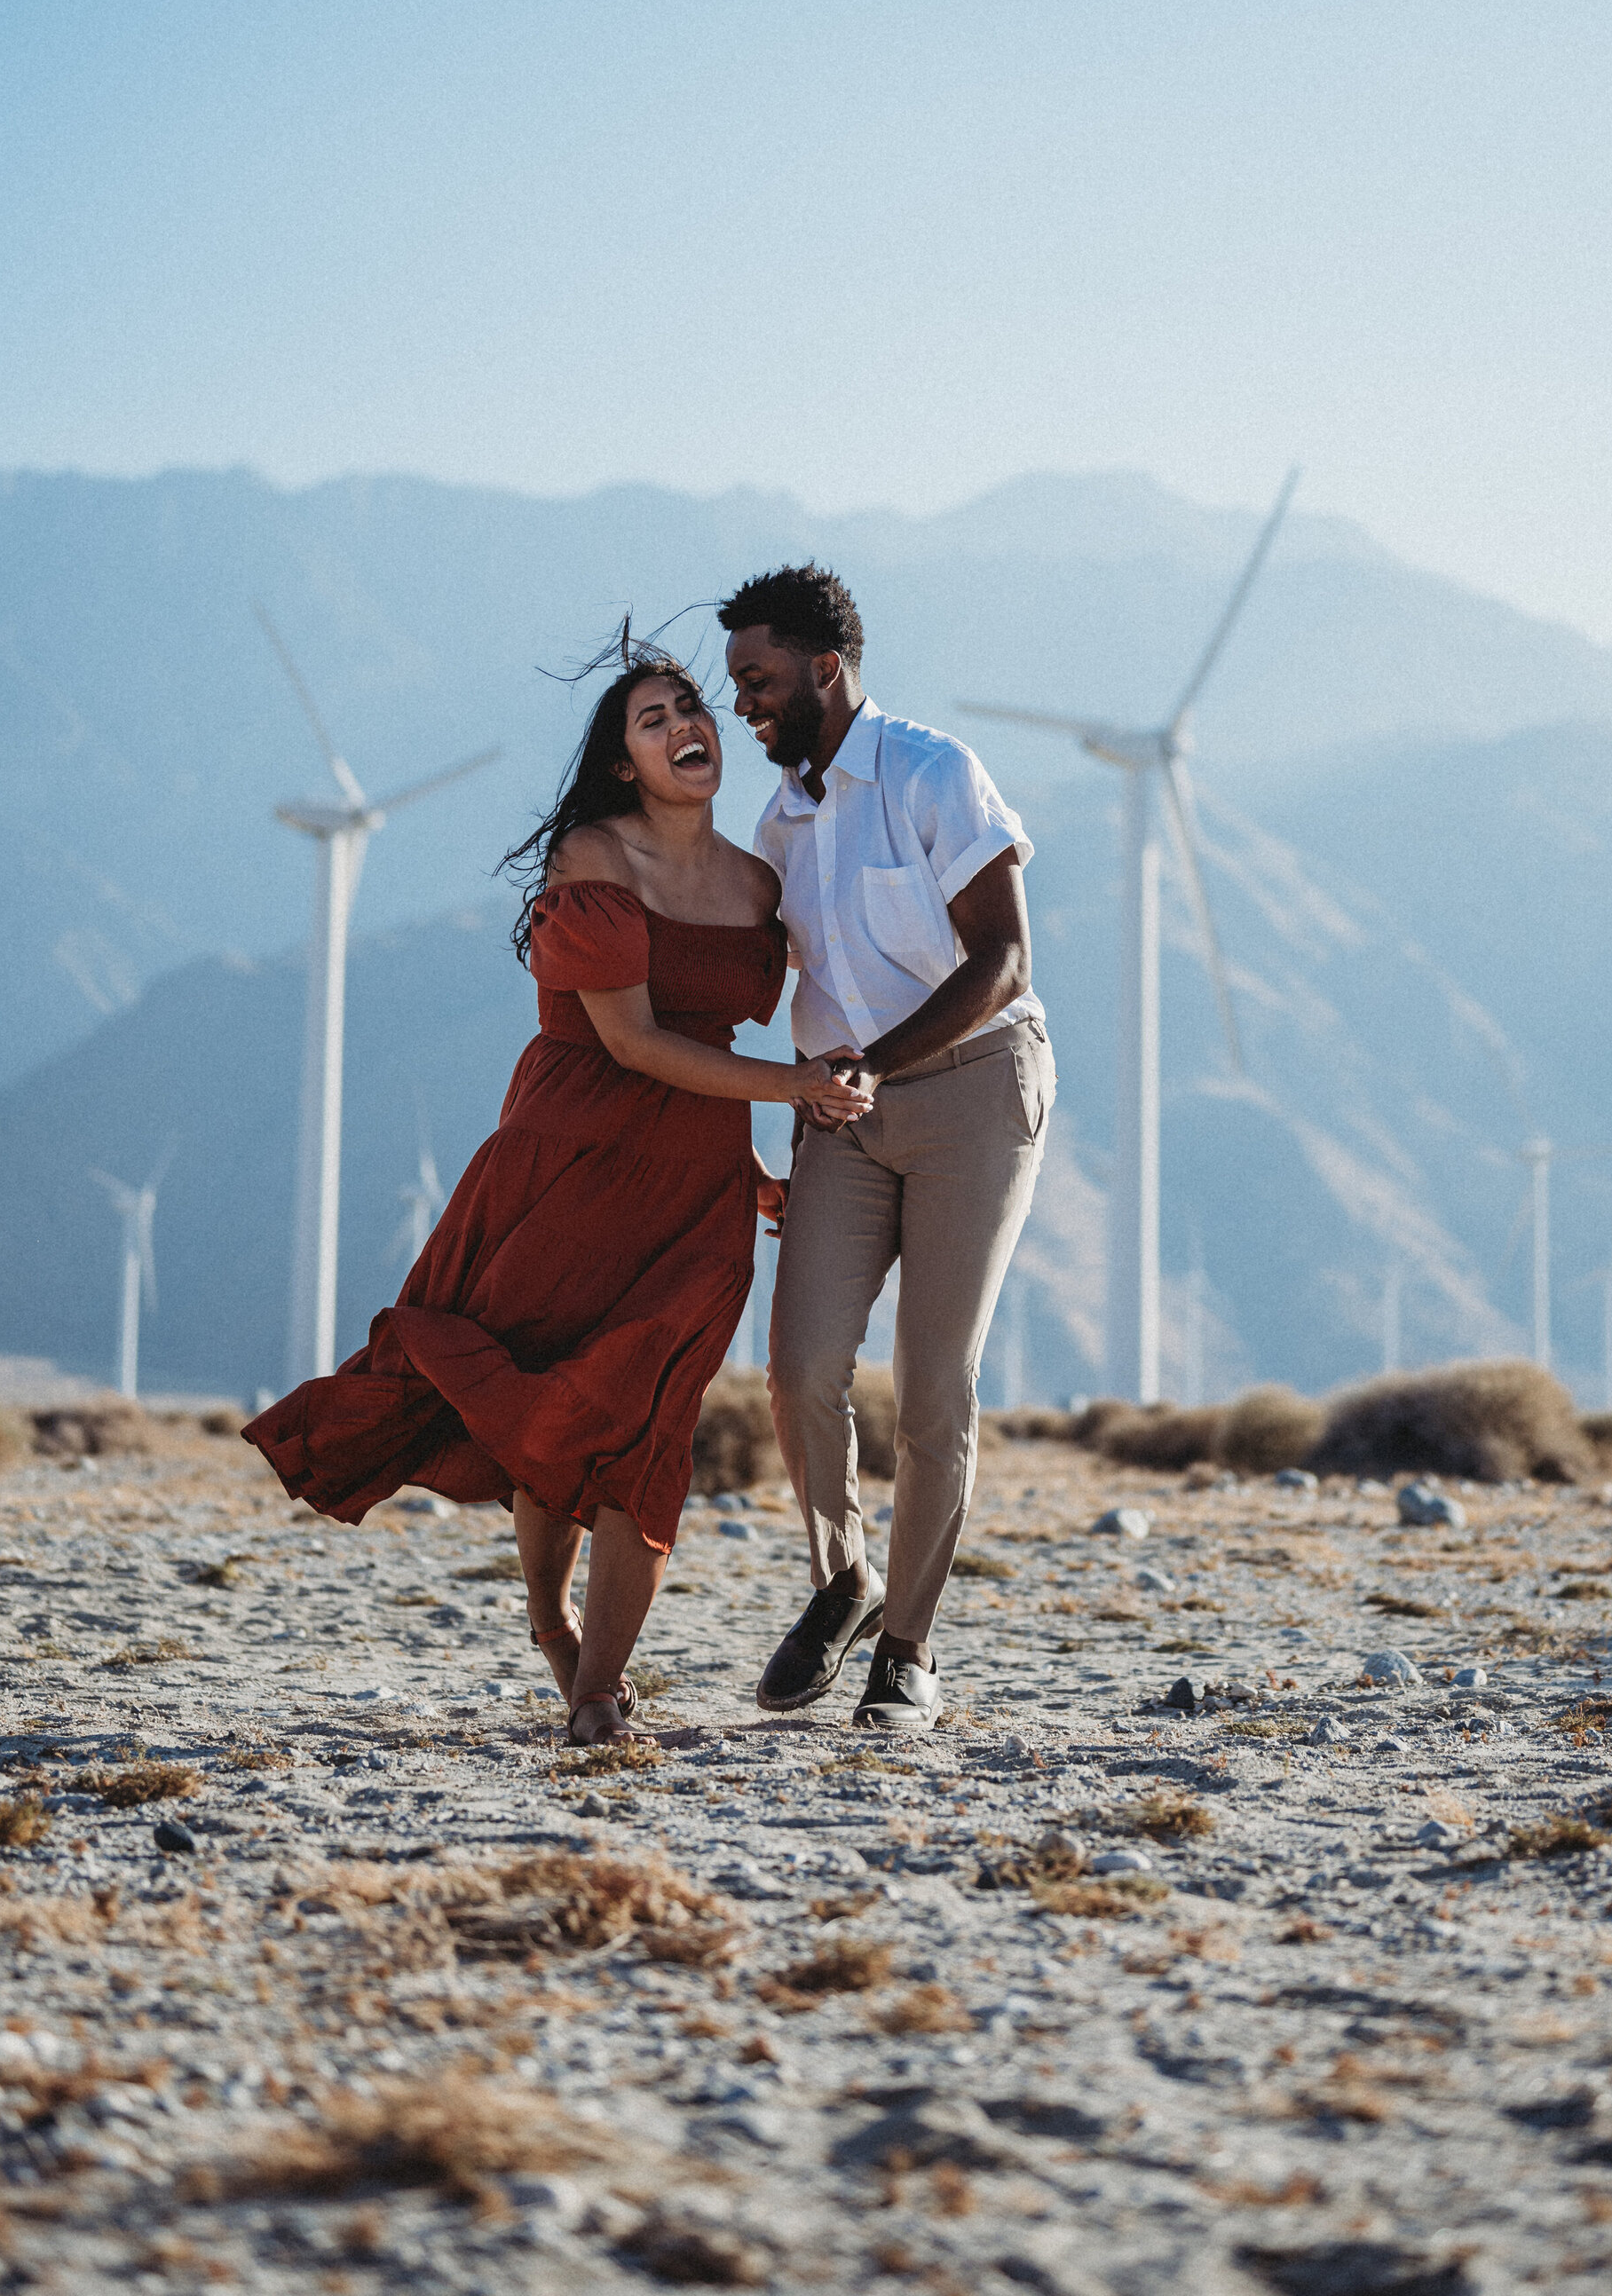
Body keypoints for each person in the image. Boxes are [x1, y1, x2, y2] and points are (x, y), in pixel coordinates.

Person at [244, 646, 868, 1745]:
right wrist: (796, 1091)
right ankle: (549, 1618)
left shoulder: (759, 885)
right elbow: (630, 1041)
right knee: (558, 1398)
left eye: (691, 708)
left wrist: (753, 1164)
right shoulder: (592, 855)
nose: (686, 725)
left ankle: (597, 1693)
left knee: (650, 1421)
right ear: (623, 762)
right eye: (651, 718)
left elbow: (731, 1038)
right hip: (568, 1170)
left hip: (697, 1193)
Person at [719, 564, 1055, 1732]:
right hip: (840, 1116)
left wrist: (879, 1064)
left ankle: (907, 1649)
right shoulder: (778, 825)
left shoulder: (932, 772)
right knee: (800, 1367)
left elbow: (1001, 959)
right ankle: (845, 1581)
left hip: (972, 1089)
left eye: (758, 681)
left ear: (826, 667)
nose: (745, 705)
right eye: (734, 686)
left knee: (933, 1389)